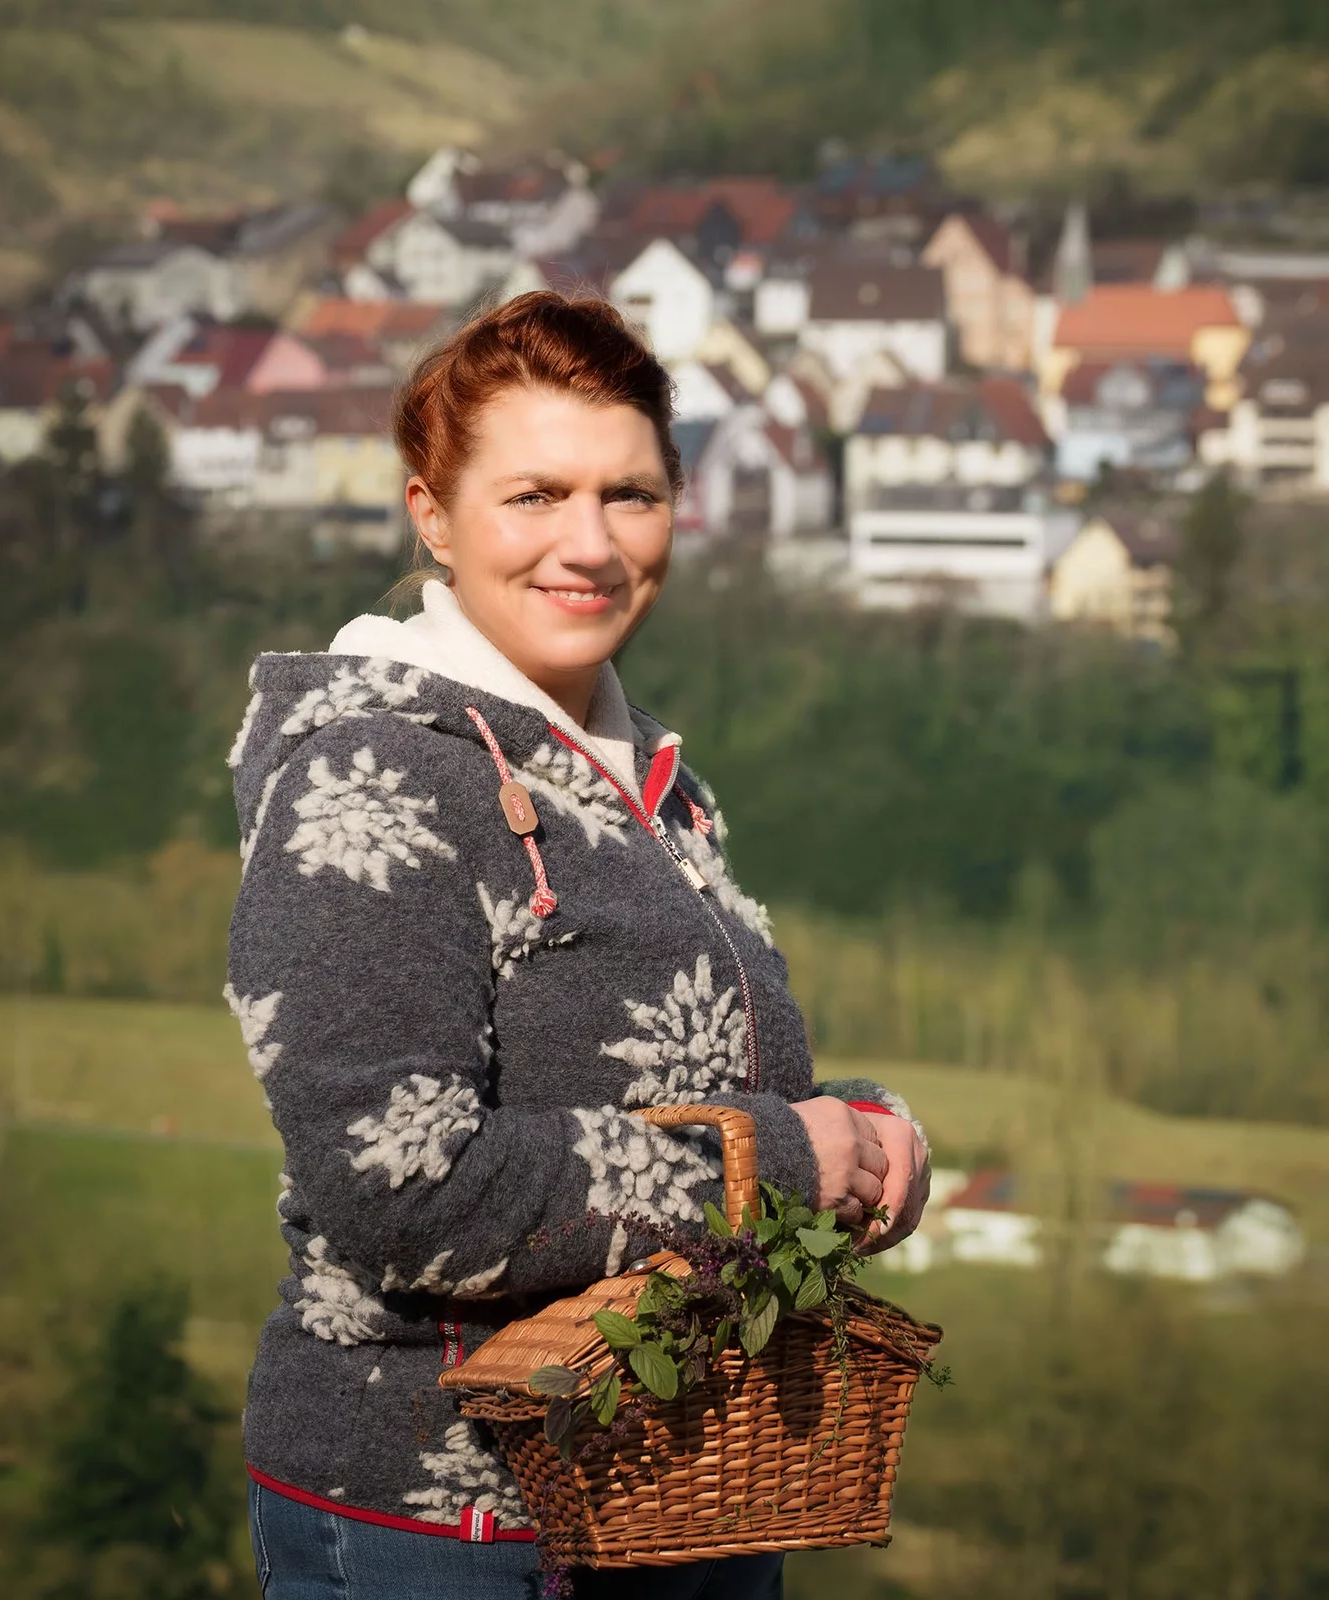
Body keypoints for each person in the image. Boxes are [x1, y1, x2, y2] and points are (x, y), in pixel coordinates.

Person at [224, 291, 930, 1599]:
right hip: (449, 1524)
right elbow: (401, 1189)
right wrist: (779, 1162)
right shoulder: (370, 781)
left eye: (632, 496)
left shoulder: (644, 772)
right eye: (536, 494)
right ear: (431, 511)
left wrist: (858, 1140)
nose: (592, 545)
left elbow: (684, 1095)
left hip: (677, 1494)